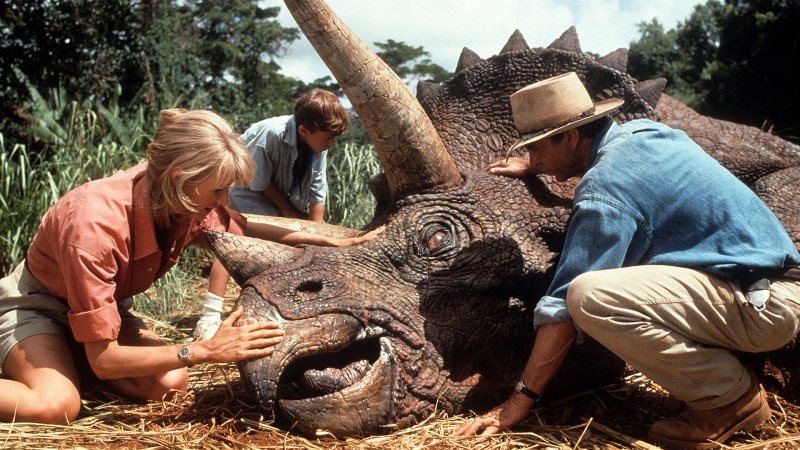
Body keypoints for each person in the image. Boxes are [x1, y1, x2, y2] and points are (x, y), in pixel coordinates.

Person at [454, 72, 800, 448]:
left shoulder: (605, 186)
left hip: (763, 307)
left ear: (570, 137)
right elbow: (628, 190)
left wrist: (519, 400)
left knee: (588, 296)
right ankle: (728, 369)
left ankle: (729, 400)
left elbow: (562, 308)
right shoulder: (645, 133)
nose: (532, 158)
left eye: (536, 149)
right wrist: (538, 165)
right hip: (767, 284)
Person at [0, 109, 286, 424]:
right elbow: (106, 359)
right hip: (38, 307)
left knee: (170, 384)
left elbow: (243, 227)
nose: (223, 200)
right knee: (56, 405)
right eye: (219, 190)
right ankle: (58, 371)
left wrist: (330, 240)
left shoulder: (179, 198)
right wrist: (204, 349)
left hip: (105, 316)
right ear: (180, 176)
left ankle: (70, 365)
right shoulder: (95, 226)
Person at [193, 89, 350, 341]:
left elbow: (318, 189)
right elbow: (259, 182)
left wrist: (316, 230)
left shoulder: (320, 143)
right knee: (235, 238)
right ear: (304, 131)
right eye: (328, 138)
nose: (331, 144)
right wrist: (289, 216)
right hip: (244, 191)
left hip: (284, 197)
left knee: (302, 244)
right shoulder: (270, 133)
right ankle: (209, 319)